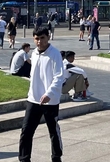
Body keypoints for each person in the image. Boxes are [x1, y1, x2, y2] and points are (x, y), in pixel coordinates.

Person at [18, 26, 65, 162]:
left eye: (42, 38)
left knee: (53, 131)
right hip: (34, 99)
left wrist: (49, 93)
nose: (39, 41)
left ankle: (56, 157)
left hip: (50, 100)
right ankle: (24, 158)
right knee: (26, 131)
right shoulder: (34, 53)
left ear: (48, 37)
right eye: (36, 39)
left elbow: (59, 77)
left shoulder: (55, 54)